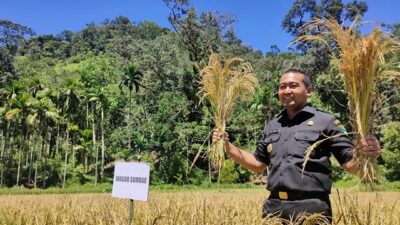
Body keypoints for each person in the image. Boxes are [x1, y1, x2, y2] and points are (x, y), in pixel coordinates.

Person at [212, 69, 381, 222]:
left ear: (309, 91)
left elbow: (350, 165)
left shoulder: (327, 121)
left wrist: (365, 154)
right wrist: (228, 146)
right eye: (282, 87)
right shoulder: (272, 125)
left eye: (293, 86)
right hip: (274, 209)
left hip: (312, 210)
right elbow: (258, 164)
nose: (286, 91)